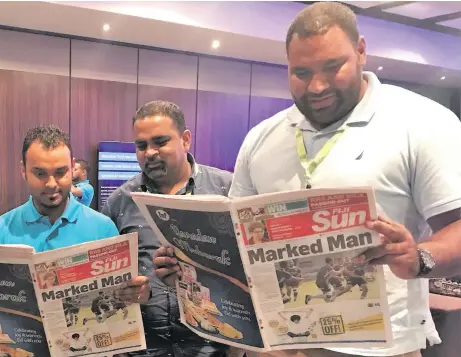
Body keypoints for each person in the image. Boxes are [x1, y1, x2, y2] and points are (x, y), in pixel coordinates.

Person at [156, 3, 461, 357]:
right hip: (274, 343)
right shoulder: (261, 138)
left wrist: (420, 256)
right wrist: (190, 264)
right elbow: (234, 243)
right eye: (301, 72)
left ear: (361, 51)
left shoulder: (422, 122)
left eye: (333, 67)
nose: (317, 86)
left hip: (376, 347)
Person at [0, 125, 150, 310]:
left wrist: (137, 294)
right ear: (23, 170)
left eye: (60, 172)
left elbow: (121, 303)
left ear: (72, 168)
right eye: (40, 173)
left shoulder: (103, 228)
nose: (51, 184)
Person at [102, 100, 233, 357]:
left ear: (185, 139)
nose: (150, 152)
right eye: (141, 146)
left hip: (214, 348)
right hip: (144, 350)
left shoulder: (226, 191)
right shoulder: (119, 202)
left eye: (160, 142)